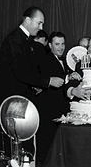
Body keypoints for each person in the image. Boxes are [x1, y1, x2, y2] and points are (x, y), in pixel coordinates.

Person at [0, 6, 65, 162]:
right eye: (39, 23)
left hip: (19, 98)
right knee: (14, 146)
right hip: (12, 101)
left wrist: (35, 85)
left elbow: (25, 70)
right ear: (27, 20)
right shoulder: (15, 39)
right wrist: (47, 81)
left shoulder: (24, 40)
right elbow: (20, 72)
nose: (41, 28)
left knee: (22, 147)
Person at [36, 31, 71, 164]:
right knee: (45, 150)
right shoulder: (45, 60)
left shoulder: (64, 61)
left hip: (59, 112)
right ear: (50, 45)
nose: (61, 47)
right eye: (57, 44)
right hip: (48, 114)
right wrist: (68, 78)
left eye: (63, 44)